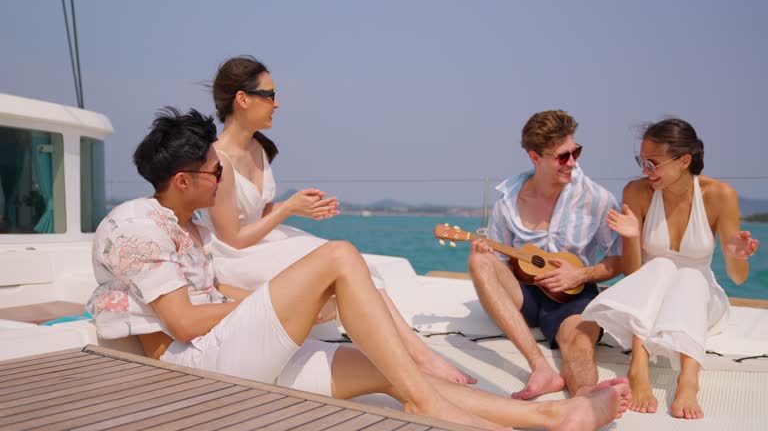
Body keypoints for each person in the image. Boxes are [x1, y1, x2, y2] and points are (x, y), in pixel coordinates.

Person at [87, 107, 632, 431]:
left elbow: (214, 290)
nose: (221, 180)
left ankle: (550, 419)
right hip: (192, 369)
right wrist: (284, 304)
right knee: (339, 254)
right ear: (182, 180)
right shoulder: (138, 227)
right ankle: (429, 404)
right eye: (213, 172)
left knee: (390, 370)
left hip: (230, 351)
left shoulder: (191, 226)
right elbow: (183, 323)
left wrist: (303, 304)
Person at [203, 55, 475, 385]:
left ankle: (411, 358)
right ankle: (413, 359)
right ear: (243, 99)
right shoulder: (217, 160)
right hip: (236, 255)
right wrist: (289, 209)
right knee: (344, 269)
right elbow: (231, 236)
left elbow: (259, 213)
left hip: (260, 241)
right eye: (270, 95)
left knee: (360, 268)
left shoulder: (259, 148)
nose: (278, 104)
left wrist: (297, 208)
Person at [581, 118, 759, 419]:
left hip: (699, 298)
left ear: (684, 161)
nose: (644, 171)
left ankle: (689, 379)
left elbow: (737, 277)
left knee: (689, 274)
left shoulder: (719, 195)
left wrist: (736, 254)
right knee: (661, 265)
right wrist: (633, 237)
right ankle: (639, 366)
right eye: (642, 161)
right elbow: (634, 274)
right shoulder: (636, 192)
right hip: (647, 295)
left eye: (653, 163)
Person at [468, 110, 622, 399]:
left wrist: (581, 274)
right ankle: (540, 368)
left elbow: (618, 260)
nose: (573, 162)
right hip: (524, 292)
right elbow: (500, 264)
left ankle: (587, 404)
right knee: (480, 259)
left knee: (578, 343)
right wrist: (487, 255)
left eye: (576, 152)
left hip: (573, 295)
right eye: (562, 157)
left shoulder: (597, 199)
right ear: (535, 157)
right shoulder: (508, 203)